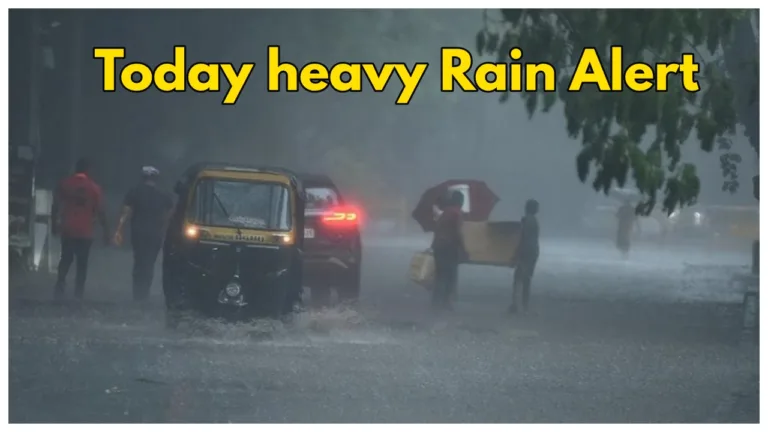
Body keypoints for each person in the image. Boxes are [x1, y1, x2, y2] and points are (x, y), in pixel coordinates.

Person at [51, 157, 109, 301]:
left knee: (65, 259)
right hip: (85, 231)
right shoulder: (94, 188)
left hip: (68, 228)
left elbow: (55, 206)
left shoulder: (64, 184)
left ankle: (60, 286)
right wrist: (106, 231)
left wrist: (53, 224)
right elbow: (101, 211)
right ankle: (79, 293)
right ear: (89, 169)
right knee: (82, 263)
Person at [113, 166, 174, 302]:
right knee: (150, 263)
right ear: (156, 179)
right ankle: (145, 292)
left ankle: (137, 293)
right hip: (155, 235)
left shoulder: (134, 192)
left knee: (139, 261)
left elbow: (126, 213)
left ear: (142, 178)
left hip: (138, 233)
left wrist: (119, 230)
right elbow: (170, 213)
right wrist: (164, 227)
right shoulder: (163, 195)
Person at [431, 190, 467, 311]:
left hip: (438, 247)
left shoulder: (445, 212)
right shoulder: (457, 213)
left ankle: (436, 303)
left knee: (440, 275)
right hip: (449, 248)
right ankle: (446, 303)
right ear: (461, 201)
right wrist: (464, 249)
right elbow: (458, 232)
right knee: (450, 276)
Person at [509, 199, 540, 313]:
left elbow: (523, 238)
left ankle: (515, 305)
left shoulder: (526, 220)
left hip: (525, 251)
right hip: (533, 251)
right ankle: (524, 305)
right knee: (527, 279)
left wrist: (516, 253)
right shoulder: (535, 221)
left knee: (518, 278)